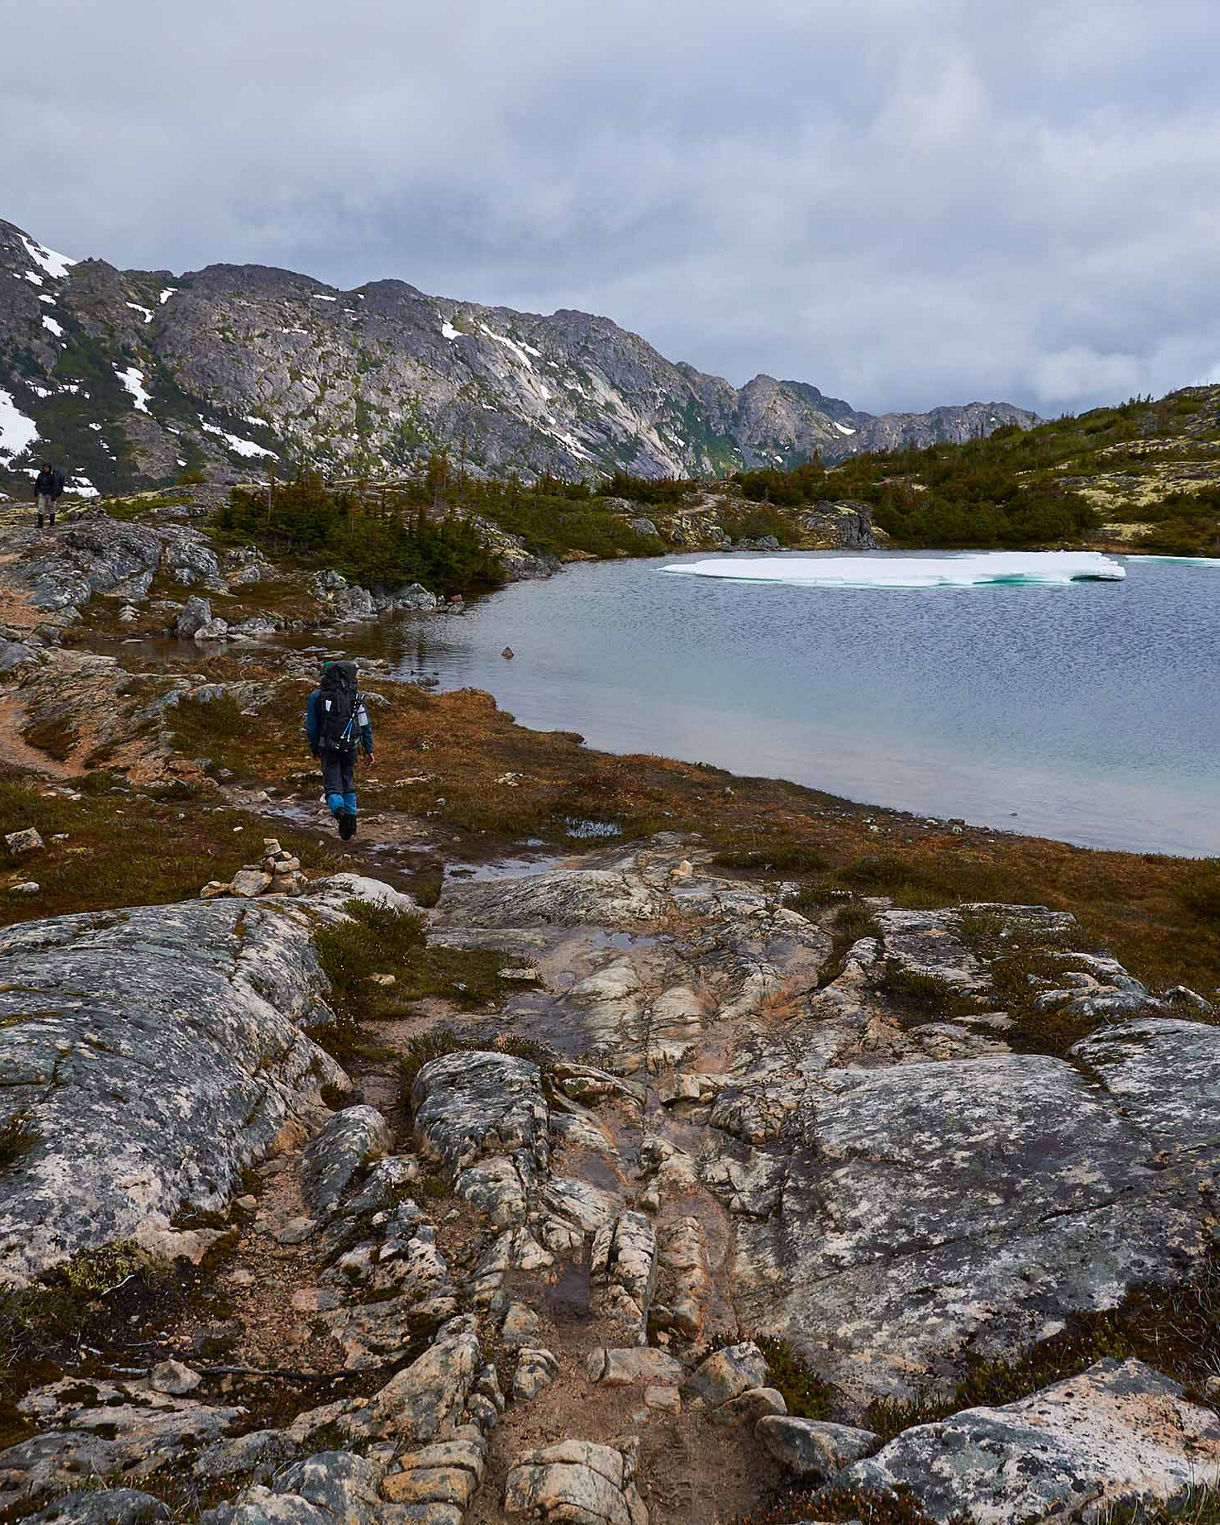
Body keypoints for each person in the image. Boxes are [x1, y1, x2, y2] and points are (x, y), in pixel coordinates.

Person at [306, 657, 373, 840]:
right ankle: (351, 822)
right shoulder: (355, 695)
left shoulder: (317, 696)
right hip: (351, 746)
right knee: (348, 782)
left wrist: (314, 747)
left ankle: (340, 814)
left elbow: (311, 727)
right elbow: (365, 724)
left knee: (332, 787)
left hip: (329, 748)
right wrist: (368, 748)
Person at [34, 462, 65, 529]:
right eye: (45, 467)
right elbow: (37, 483)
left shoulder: (53, 476)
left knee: (51, 508)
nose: (46, 469)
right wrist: (36, 491)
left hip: (50, 494)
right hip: (42, 493)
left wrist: (54, 495)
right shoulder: (40, 475)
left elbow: (55, 486)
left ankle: (52, 524)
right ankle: (40, 524)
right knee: (40, 508)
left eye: (47, 467)